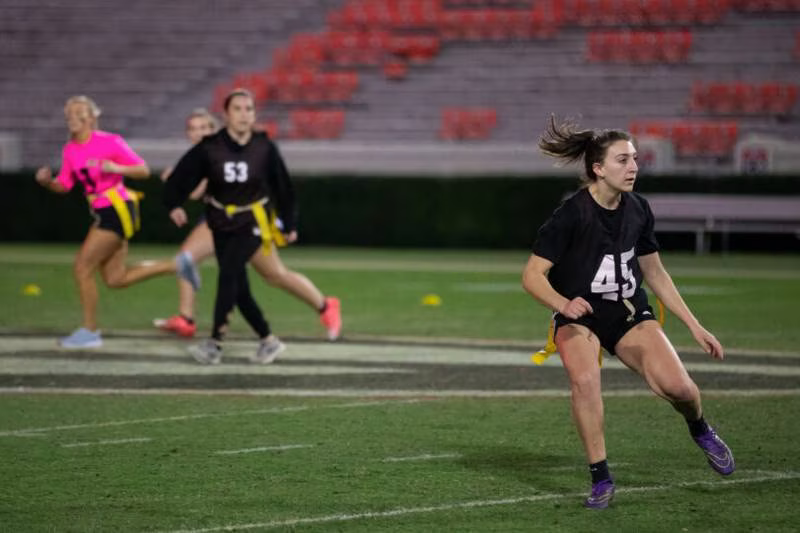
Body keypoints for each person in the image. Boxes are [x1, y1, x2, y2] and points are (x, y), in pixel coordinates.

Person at [521, 116, 734, 509]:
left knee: (680, 389)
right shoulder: (571, 213)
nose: (634, 166)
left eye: (635, 158)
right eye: (622, 160)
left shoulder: (638, 208)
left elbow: (655, 272)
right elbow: (532, 276)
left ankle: (700, 428)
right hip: (579, 315)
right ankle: (601, 477)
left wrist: (694, 325)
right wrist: (563, 304)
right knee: (585, 382)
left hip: (628, 311)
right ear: (598, 169)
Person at [163, 88, 341, 365]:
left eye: (249, 109)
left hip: (253, 221)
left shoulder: (264, 146)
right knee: (241, 287)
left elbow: (284, 187)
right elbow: (182, 177)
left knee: (230, 275)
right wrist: (173, 204)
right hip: (220, 220)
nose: (244, 114)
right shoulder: (211, 146)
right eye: (238, 109)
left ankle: (214, 343)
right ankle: (268, 340)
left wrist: (289, 222)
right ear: (226, 114)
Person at [34, 95, 200, 349]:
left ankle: (89, 332)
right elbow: (65, 185)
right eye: (69, 113)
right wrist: (48, 182)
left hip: (117, 209)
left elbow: (143, 170)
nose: (72, 117)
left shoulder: (109, 142)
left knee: (82, 267)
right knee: (115, 278)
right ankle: (177, 265)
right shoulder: (71, 149)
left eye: (78, 112)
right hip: (102, 210)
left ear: (91, 117)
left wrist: (114, 167)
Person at [153, 108, 219, 337]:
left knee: (271, 274)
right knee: (190, 260)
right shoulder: (200, 155)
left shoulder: (217, 152)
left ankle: (324, 305)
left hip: (233, 217)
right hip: (216, 216)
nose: (198, 133)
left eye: (204, 127)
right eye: (193, 129)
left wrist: (176, 179)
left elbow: (196, 191)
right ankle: (187, 319)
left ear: (213, 130)